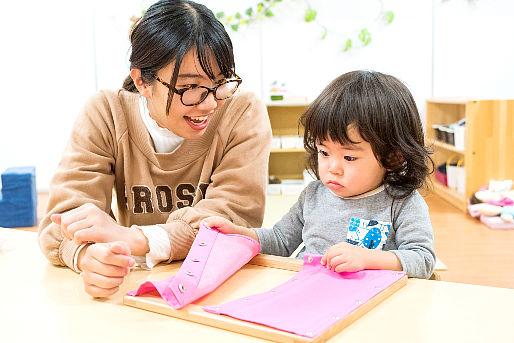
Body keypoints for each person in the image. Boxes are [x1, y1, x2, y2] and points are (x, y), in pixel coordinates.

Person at [38, 0, 271, 297]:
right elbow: (60, 222)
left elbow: (232, 225)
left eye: (221, 83)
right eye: (189, 88)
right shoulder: (106, 113)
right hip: (132, 291)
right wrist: (88, 256)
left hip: (214, 290)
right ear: (142, 81)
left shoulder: (242, 112)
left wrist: (129, 238)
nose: (210, 102)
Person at [204, 70, 436, 279]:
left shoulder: (402, 202)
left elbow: (423, 260)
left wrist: (368, 259)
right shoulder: (314, 194)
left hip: (364, 303)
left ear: (392, 157)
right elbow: (280, 240)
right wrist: (241, 234)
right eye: (324, 152)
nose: (332, 167)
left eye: (349, 158)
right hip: (308, 291)